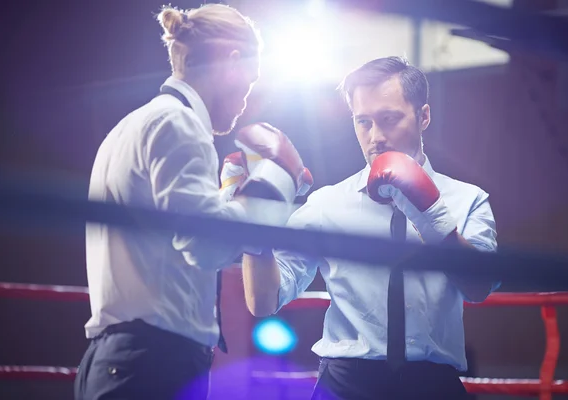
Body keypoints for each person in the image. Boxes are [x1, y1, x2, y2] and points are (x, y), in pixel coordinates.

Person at [74, 4, 311, 400]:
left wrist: (231, 200)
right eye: (249, 84)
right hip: (151, 363)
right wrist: (272, 184)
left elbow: (174, 239)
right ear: (231, 62)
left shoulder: (134, 124)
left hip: (128, 359)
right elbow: (205, 243)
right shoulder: (179, 125)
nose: (244, 103)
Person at [241, 56, 499, 400]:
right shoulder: (326, 203)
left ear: (423, 116)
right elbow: (264, 300)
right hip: (345, 382)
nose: (375, 137)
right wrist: (253, 228)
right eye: (363, 122)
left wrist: (431, 214)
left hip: (432, 384)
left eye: (389, 119)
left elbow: (479, 287)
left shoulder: (467, 199)